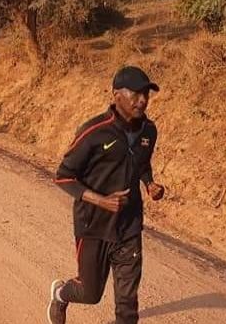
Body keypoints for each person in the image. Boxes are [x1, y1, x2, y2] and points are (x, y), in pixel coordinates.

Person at [48, 66, 165, 324]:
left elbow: (141, 163)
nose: (143, 100)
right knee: (90, 293)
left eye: (146, 94)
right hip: (93, 225)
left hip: (129, 226)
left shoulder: (149, 131)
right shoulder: (93, 131)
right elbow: (63, 176)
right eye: (135, 94)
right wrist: (100, 200)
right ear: (116, 95)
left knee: (127, 304)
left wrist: (149, 183)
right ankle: (60, 294)